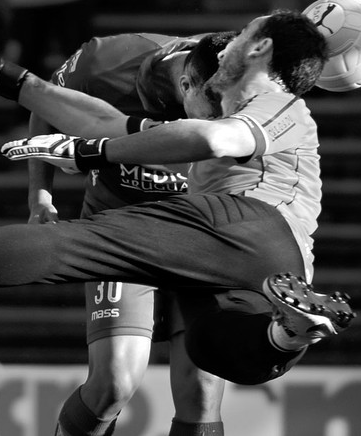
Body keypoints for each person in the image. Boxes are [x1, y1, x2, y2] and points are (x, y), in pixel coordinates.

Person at [0, 11, 356, 393]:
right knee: (221, 351)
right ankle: (291, 330)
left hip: (235, 220)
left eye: (241, 36)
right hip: (275, 268)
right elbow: (110, 118)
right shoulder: (171, 80)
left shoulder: (275, 108)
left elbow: (206, 139)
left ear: (261, 47)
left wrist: (93, 154)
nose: (228, 42)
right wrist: (6, 78)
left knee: (72, 247)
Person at [29, 32, 235, 436]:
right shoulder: (104, 60)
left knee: (202, 388)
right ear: (186, 84)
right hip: (119, 226)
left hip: (199, 231)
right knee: (114, 383)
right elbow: (43, 102)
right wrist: (40, 195)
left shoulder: (247, 88)